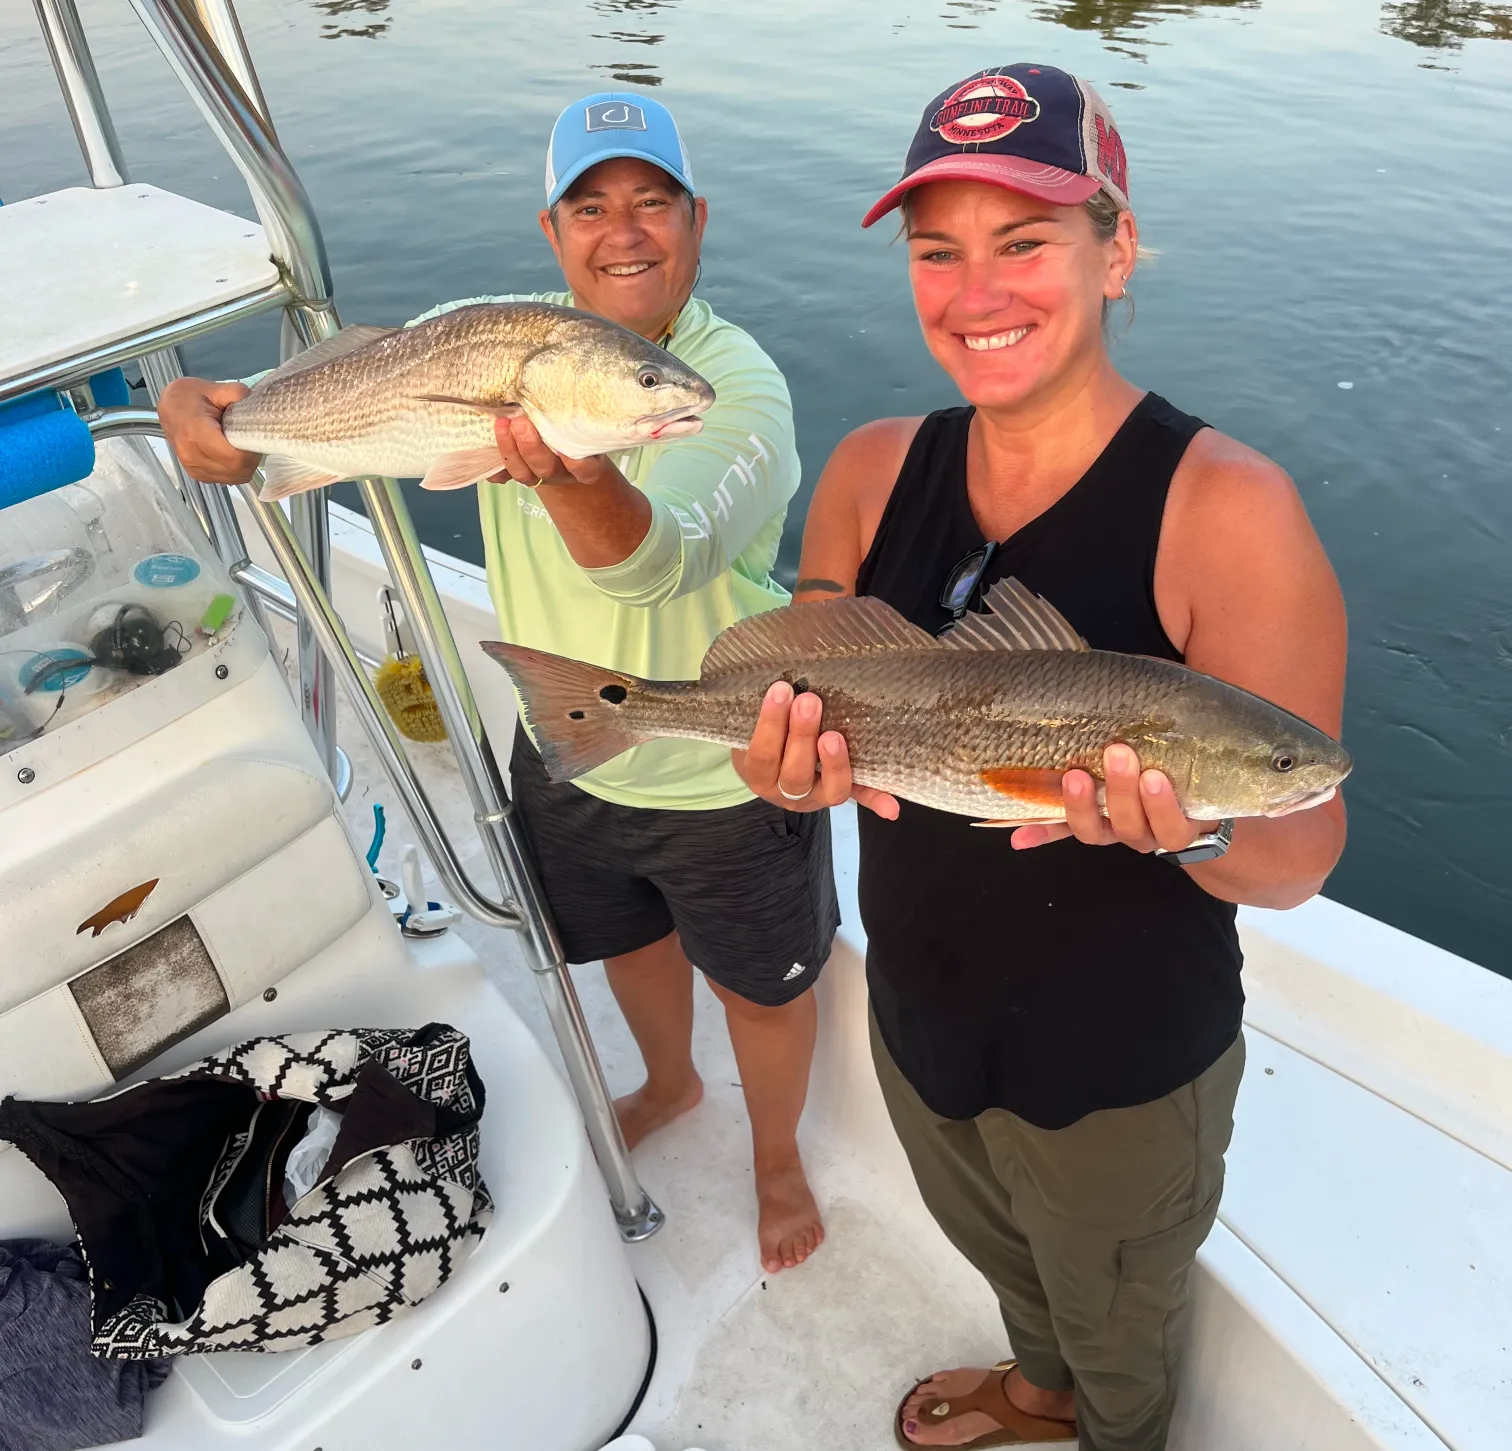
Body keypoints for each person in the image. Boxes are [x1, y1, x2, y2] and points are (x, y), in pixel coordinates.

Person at [732, 65, 1347, 1450]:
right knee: (999, 1250)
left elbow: (1302, 845)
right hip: (920, 1010)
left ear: (1115, 248)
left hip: (1120, 1061)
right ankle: (1035, 1387)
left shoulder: (1230, 509)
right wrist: (783, 767)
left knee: (1120, 1311)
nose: (976, 290)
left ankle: (1110, 1426)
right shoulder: (875, 463)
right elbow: (799, 708)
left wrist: (1180, 824)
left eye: (1026, 240)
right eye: (937, 250)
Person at [156, 92, 837, 1277]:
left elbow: (660, 560)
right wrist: (211, 413)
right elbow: (349, 379)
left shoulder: (737, 387)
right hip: (563, 737)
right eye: (591, 206)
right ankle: (669, 1082)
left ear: (696, 219)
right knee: (622, 936)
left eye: (652, 202)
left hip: (730, 757)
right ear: (553, 229)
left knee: (766, 992)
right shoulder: (484, 333)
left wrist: (575, 473)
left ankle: (778, 1154)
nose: (623, 231)